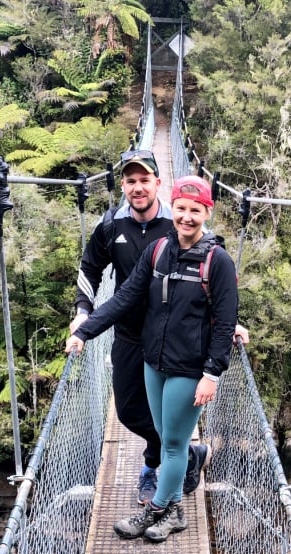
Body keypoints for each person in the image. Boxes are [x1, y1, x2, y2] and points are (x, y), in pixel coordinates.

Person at [66, 175, 239, 543]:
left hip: (190, 369)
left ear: (207, 212)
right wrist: (84, 330)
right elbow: (125, 296)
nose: (187, 217)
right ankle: (174, 511)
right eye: (181, 208)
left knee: (174, 444)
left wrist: (212, 373)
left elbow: (225, 322)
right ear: (171, 208)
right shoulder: (158, 250)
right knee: (163, 437)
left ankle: (153, 510)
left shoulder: (218, 261)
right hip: (152, 361)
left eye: (196, 210)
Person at [70, 149, 210, 505]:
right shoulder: (111, 225)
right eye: (130, 181)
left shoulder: (178, 222)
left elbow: (209, 272)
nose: (138, 188)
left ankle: (153, 468)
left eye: (144, 180)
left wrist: (228, 320)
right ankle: (186, 455)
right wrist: (84, 312)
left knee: (163, 414)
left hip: (172, 340)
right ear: (123, 185)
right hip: (129, 335)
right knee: (130, 411)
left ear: (158, 184)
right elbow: (90, 269)